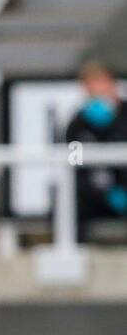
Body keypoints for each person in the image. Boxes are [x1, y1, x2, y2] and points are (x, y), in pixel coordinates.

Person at [65, 60, 127, 242]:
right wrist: (104, 194)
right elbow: (74, 164)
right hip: (96, 197)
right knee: (71, 206)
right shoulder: (77, 126)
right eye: (91, 85)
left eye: (101, 83)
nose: (98, 90)